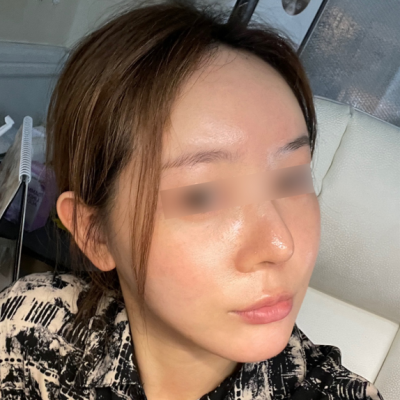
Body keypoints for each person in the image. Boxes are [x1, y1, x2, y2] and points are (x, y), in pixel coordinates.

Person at [0, 1, 385, 399]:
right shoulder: (29, 331)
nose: (280, 244)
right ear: (95, 233)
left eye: (292, 178)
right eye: (203, 195)